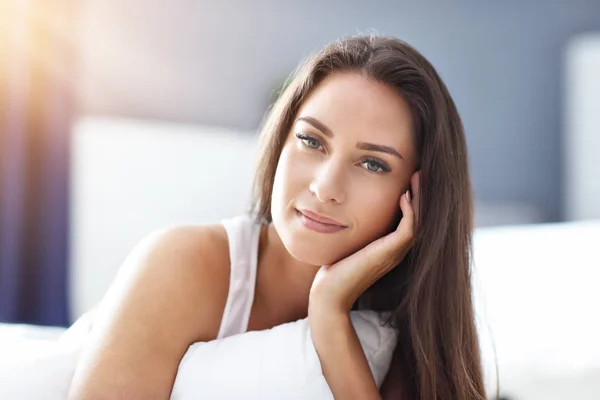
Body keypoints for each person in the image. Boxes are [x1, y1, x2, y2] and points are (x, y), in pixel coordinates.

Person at [68, 34, 486, 399]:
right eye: (311, 140)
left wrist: (329, 313)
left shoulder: (401, 324)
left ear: (417, 195)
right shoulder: (183, 262)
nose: (325, 187)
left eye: (372, 164)